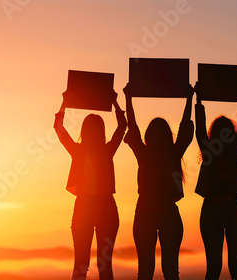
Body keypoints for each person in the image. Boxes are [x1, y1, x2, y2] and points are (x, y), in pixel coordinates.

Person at [123, 83, 194, 280]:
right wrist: (128, 98)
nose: (156, 138)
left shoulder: (170, 153)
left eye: (159, 134)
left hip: (163, 213)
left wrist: (190, 99)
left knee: (166, 270)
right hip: (148, 213)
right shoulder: (147, 154)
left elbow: (184, 125)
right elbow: (133, 127)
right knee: (150, 270)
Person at [54, 93, 126, 280]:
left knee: (102, 266)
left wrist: (115, 102)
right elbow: (58, 128)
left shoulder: (105, 151)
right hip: (88, 207)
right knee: (82, 264)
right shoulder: (84, 151)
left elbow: (122, 127)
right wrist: (65, 102)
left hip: (103, 208)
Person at [194, 84, 237, 280]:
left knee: (230, 268)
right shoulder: (210, 152)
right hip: (220, 210)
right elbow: (200, 131)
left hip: (228, 210)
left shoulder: (226, 150)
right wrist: (199, 102)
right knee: (219, 268)